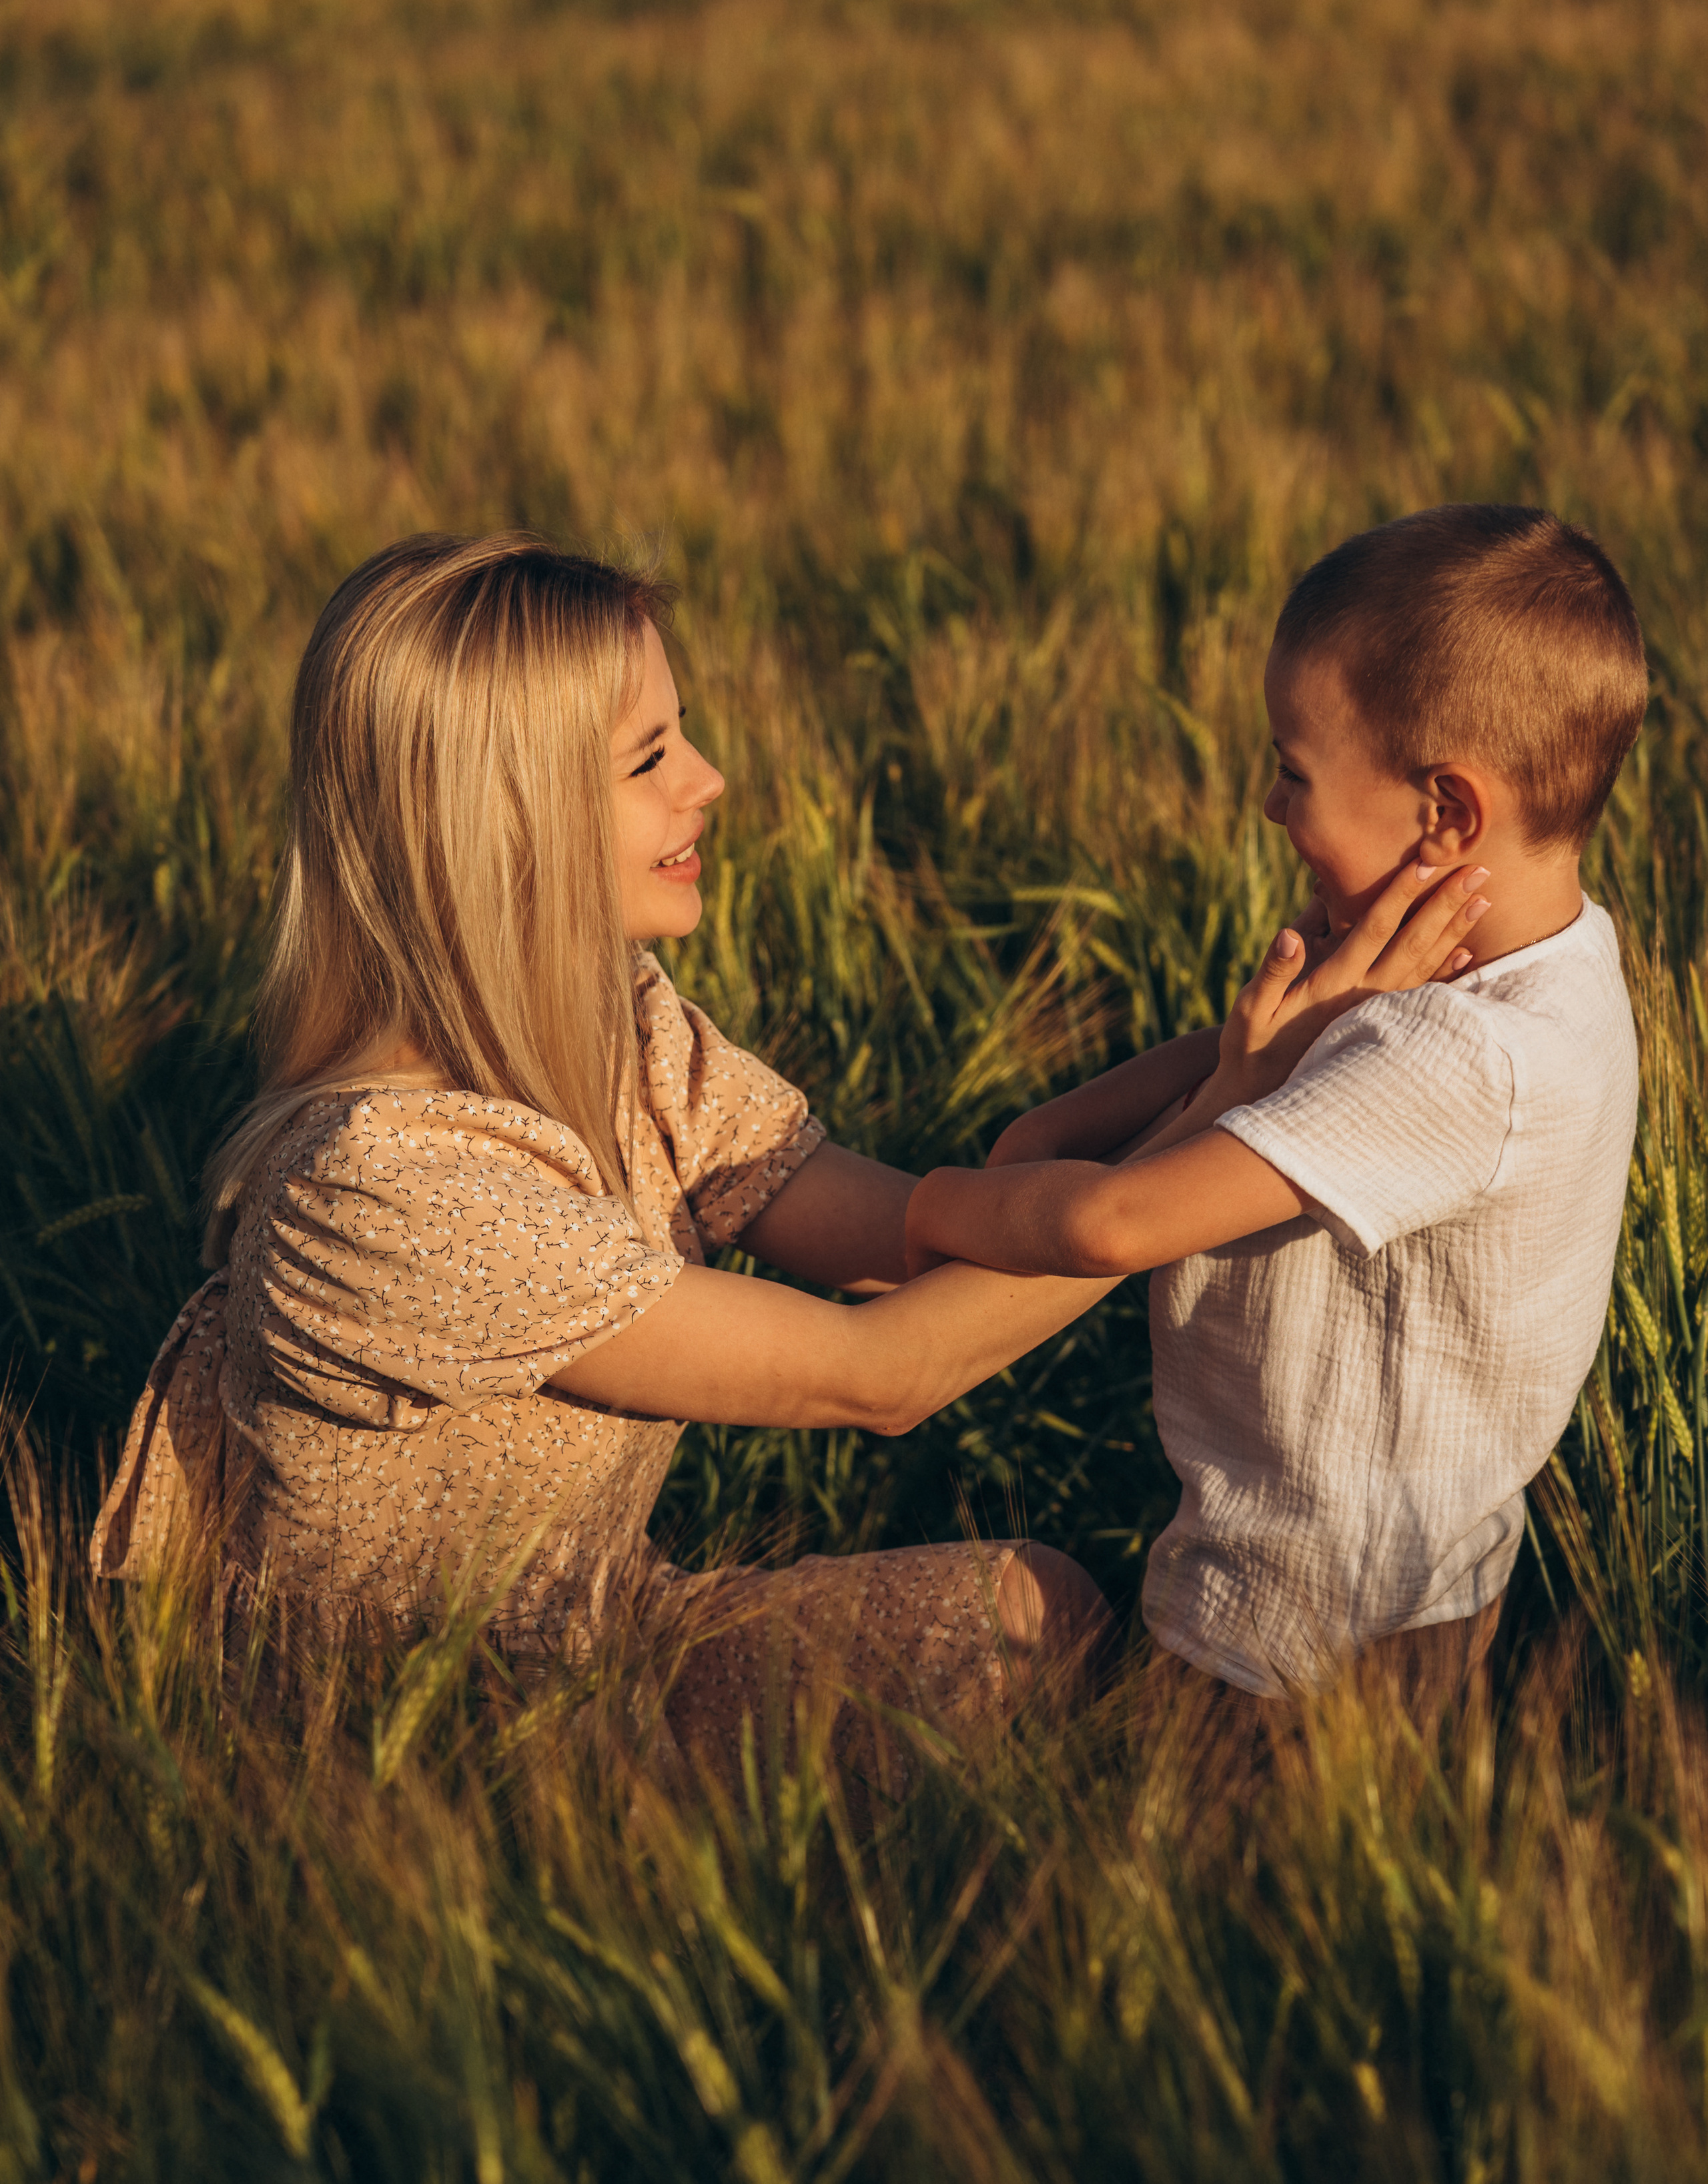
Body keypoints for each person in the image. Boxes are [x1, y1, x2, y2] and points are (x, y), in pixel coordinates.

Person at [89, 530, 1486, 1790]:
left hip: (606, 1636)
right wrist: (1243, 1109)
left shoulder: (626, 1031)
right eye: (648, 758)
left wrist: (1244, 1055)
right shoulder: (384, 1189)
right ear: (499, 822)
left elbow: (912, 1238)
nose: (708, 778)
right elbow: (882, 1371)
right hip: (416, 1758)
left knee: (1032, 1613)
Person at [905, 504, 1645, 1716]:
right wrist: (1270, 1048)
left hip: (1300, 1639)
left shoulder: (1458, 1059)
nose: (1267, 804)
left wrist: (924, 1211)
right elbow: (1061, 1138)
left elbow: (1109, 1223)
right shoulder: (1557, 969)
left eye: (1294, 772)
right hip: (1412, 1592)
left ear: (1447, 813)